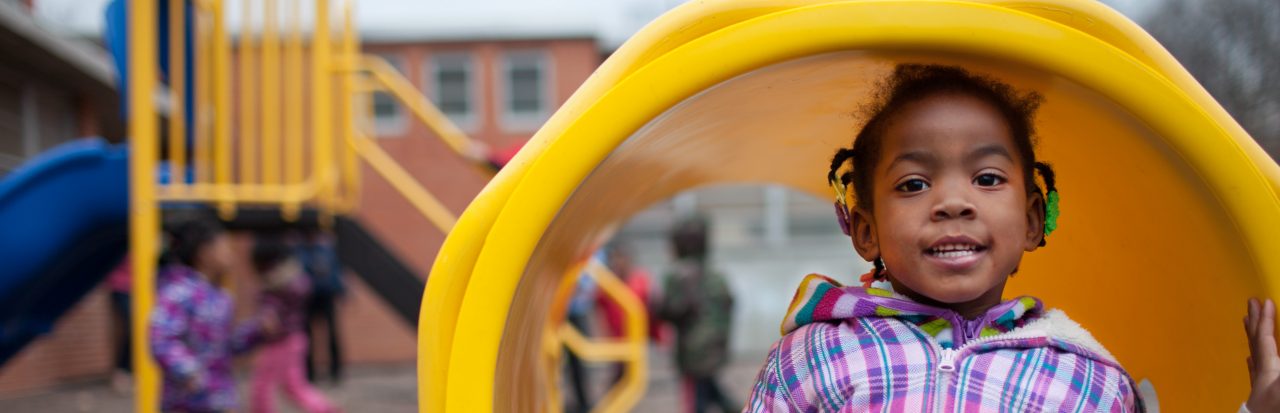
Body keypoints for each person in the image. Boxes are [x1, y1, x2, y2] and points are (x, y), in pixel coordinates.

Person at [744, 63, 1144, 411]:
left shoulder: (1086, 379)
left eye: (987, 178)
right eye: (914, 184)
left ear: (1032, 220)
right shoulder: (811, 359)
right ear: (867, 231)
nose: (953, 203)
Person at [150, 217, 271, 413]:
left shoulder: (221, 297)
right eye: (223, 247)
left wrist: (256, 331)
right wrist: (187, 370)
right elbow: (161, 338)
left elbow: (226, 345)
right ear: (204, 253)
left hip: (220, 398)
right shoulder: (178, 292)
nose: (230, 254)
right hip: (185, 402)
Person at [249, 235, 339, 413]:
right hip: (296, 338)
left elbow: (270, 318)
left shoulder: (275, 285)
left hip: (280, 342)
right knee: (294, 385)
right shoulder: (296, 278)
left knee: (262, 384)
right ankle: (325, 409)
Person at [657, 216, 737, 413]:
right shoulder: (715, 275)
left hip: (693, 352)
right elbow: (729, 304)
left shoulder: (678, 276)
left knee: (698, 398)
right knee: (710, 390)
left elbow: (669, 311)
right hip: (713, 347)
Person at [596, 240, 660, 384]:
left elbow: (652, 305)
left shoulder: (639, 280)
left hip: (634, 337)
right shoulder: (609, 283)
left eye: (621, 259)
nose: (617, 263)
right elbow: (598, 303)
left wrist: (656, 332)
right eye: (614, 259)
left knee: (627, 376)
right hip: (617, 338)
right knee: (620, 375)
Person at [296, 231, 345, 384]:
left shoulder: (325, 250)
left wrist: (340, 290)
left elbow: (334, 271)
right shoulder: (301, 251)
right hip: (308, 298)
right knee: (307, 336)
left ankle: (336, 371)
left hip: (326, 296)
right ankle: (309, 373)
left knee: (331, 334)